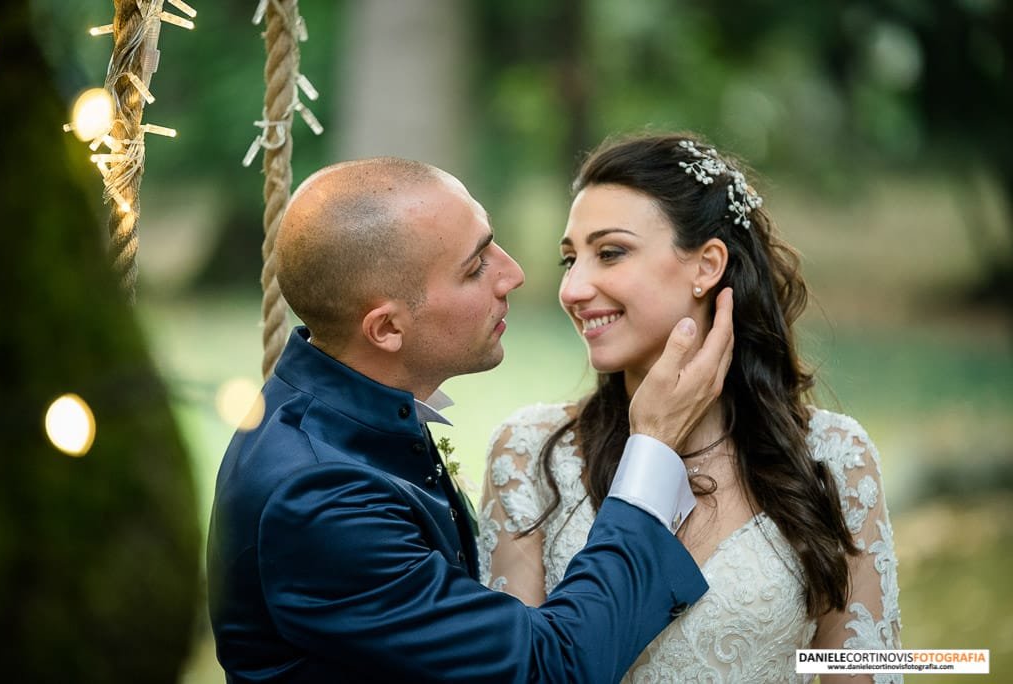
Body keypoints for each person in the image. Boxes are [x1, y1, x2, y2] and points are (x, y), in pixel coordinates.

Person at [206, 157, 737, 682]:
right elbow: (549, 668)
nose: (514, 275)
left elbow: (824, 659)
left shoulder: (351, 418)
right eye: (476, 265)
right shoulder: (320, 498)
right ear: (387, 328)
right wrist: (652, 448)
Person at [479, 133, 902, 683]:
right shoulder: (530, 454)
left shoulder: (834, 457)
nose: (573, 288)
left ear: (707, 266)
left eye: (609, 252)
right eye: (569, 259)